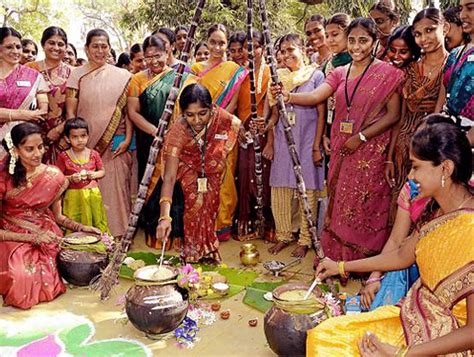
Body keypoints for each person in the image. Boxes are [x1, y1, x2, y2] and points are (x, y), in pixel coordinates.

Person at [310, 122, 473, 357]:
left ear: (445, 168)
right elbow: (401, 255)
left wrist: (400, 353)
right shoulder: (436, 210)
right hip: (415, 316)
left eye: (416, 167)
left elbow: (471, 333)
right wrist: (340, 267)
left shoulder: (470, 228)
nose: (410, 175)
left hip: (447, 338)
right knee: (323, 337)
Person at [276, 18, 404, 266]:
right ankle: (337, 259)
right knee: (341, 203)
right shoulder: (339, 72)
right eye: (353, 40)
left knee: (365, 204)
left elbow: (394, 115)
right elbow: (316, 95)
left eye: (364, 40)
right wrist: (288, 95)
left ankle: (362, 262)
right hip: (341, 148)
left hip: (371, 150)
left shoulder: (388, 74)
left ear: (375, 42)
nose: (357, 46)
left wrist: (362, 137)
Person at [0, 122, 100, 309]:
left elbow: (59, 217)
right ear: (15, 150)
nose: (37, 154)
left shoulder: (53, 176)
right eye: (29, 149)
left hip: (45, 230)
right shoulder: (3, 177)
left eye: (40, 147)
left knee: (64, 265)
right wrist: (32, 238)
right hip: (10, 232)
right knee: (22, 276)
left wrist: (82, 228)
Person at [361, 114, 453, 311]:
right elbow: (396, 242)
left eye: (417, 166)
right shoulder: (411, 190)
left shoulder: (463, 207)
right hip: (409, 265)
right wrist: (375, 276)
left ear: (445, 164)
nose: (411, 176)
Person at [155, 84, 241, 263]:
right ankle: (192, 252)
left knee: (210, 207)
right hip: (187, 167)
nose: (197, 120)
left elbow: (236, 126)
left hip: (212, 168)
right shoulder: (177, 132)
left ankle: (209, 248)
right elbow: (169, 178)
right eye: (190, 115)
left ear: (212, 108)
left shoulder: (220, 116)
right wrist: (164, 217)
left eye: (203, 113)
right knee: (194, 207)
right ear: (182, 113)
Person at [66, 28, 137, 239]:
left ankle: (119, 236)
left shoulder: (123, 76)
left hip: (115, 143)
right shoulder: (77, 74)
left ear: (109, 48)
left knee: (117, 191)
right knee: (87, 190)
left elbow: (127, 112)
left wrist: (127, 138)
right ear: (86, 49)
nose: (100, 50)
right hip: (83, 145)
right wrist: (74, 142)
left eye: (104, 46)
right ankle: (90, 236)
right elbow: (71, 110)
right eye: (95, 46)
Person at [127, 35, 191, 249]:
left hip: (178, 139)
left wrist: (174, 135)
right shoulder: (137, 80)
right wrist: (157, 133)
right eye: (147, 57)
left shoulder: (181, 77)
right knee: (151, 184)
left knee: (176, 182)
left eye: (158, 56)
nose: (153, 61)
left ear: (168, 52)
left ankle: (178, 231)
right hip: (149, 140)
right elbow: (133, 113)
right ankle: (154, 229)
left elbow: (192, 109)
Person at [265, 33, 326, 258]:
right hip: (284, 141)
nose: (286, 54)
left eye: (291, 49)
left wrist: (316, 146)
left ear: (303, 50)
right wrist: (266, 126)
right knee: (280, 189)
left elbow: (321, 113)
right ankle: (284, 235)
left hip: (307, 140)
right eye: (282, 51)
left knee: (307, 189)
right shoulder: (277, 77)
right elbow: (274, 116)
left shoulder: (316, 76)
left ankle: (305, 239)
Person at [387, 8, 448, 225]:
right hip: (403, 145)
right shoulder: (410, 68)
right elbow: (400, 116)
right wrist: (390, 155)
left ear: (445, 28)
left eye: (430, 30)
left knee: (426, 206)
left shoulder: (450, 66)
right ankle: (396, 253)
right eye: (418, 33)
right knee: (400, 202)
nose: (423, 38)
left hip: (429, 147)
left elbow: (438, 114)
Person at [187, 23, 248, 241]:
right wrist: (200, 124)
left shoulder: (234, 70)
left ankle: (222, 225)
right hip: (196, 127)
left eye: (222, 43)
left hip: (223, 129)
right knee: (200, 177)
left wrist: (214, 123)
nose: (217, 47)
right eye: (213, 42)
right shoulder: (195, 69)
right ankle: (202, 223)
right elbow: (190, 99)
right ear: (206, 42)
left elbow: (232, 102)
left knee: (225, 175)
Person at [235, 30, 273, 241]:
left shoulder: (271, 73)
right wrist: (237, 126)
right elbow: (232, 107)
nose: (250, 51)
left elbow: (274, 111)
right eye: (246, 47)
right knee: (244, 177)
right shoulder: (240, 75)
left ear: (263, 49)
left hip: (263, 134)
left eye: (255, 46)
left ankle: (266, 227)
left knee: (264, 180)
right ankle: (247, 225)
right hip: (243, 134)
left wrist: (268, 133)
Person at [0, 27, 49, 162]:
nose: (15, 51)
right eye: (9, 47)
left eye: (18, 47)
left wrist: (39, 112)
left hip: (22, 139)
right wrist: (22, 115)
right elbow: (27, 114)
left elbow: (43, 107)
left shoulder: (33, 76)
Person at [26, 26, 73, 164]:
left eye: (60, 44)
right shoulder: (29, 69)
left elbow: (79, 107)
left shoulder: (74, 73)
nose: (56, 47)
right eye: (51, 43)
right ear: (43, 44)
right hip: (31, 134)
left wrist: (61, 131)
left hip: (64, 135)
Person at [56, 118, 109, 234]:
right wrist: (70, 178)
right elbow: (58, 177)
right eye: (75, 137)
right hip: (73, 196)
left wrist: (94, 174)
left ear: (88, 136)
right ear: (67, 139)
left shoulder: (94, 154)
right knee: (74, 219)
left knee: (96, 219)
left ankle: (100, 245)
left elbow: (102, 171)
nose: (80, 140)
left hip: (93, 195)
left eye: (83, 136)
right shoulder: (63, 156)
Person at [437, 0, 474, 144]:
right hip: (449, 142)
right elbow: (442, 99)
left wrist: (464, 143)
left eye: (470, 8)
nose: (463, 15)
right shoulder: (455, 54)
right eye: (461, 9)